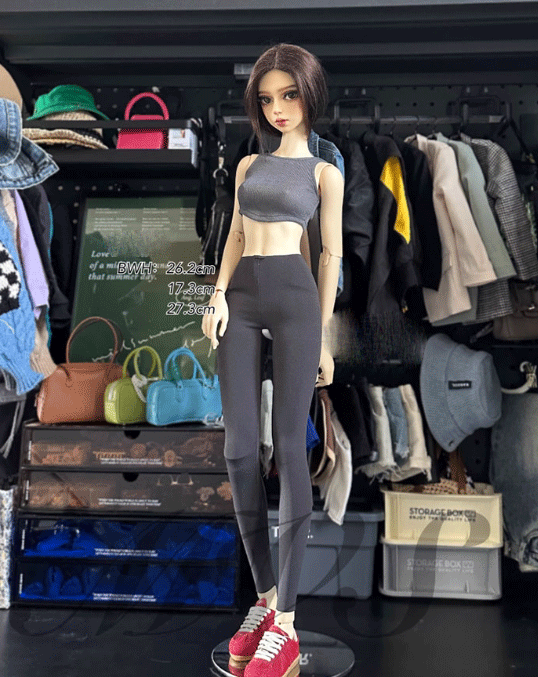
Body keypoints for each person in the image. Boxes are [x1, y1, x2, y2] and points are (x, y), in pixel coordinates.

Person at [201, 43, 343, 677]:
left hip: (294, 297)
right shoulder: (247, 164)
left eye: (289, 95)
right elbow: (235, 232)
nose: (278, 108)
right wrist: (216, 295)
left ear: (309, 94)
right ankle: (263, 600)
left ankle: (286, 620)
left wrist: (325, 338)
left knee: (289, 447)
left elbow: (329, 256)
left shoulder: (325, 173)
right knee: (238, 448)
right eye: (267, 98)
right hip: (241, 296)